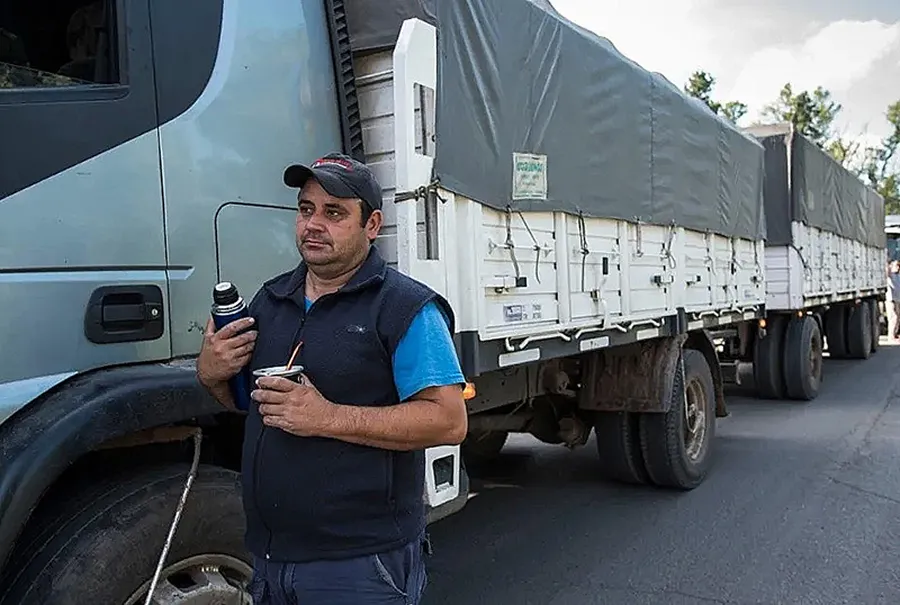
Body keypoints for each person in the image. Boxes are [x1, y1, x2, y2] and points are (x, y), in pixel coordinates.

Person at [196, 152, 468, 604]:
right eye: (306, 210)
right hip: (270, 558)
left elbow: (448, 421)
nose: (313, 224)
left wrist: (327, 417)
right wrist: (211, 374)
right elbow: (249, 405)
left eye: (335, 212)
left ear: (372, 225)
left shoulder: (405, 308)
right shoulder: (271, 300)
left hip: (359, 564)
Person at [887, 260, 900, 341]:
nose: (897, 267)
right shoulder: (890, 275)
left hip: (898, 299)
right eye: (896, 265)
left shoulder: (898, 276)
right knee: (893, 317)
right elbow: (887, 271)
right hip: (891, 299)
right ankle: (891, 335)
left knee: (898, 317)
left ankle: (895, 334)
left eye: (898, 265)